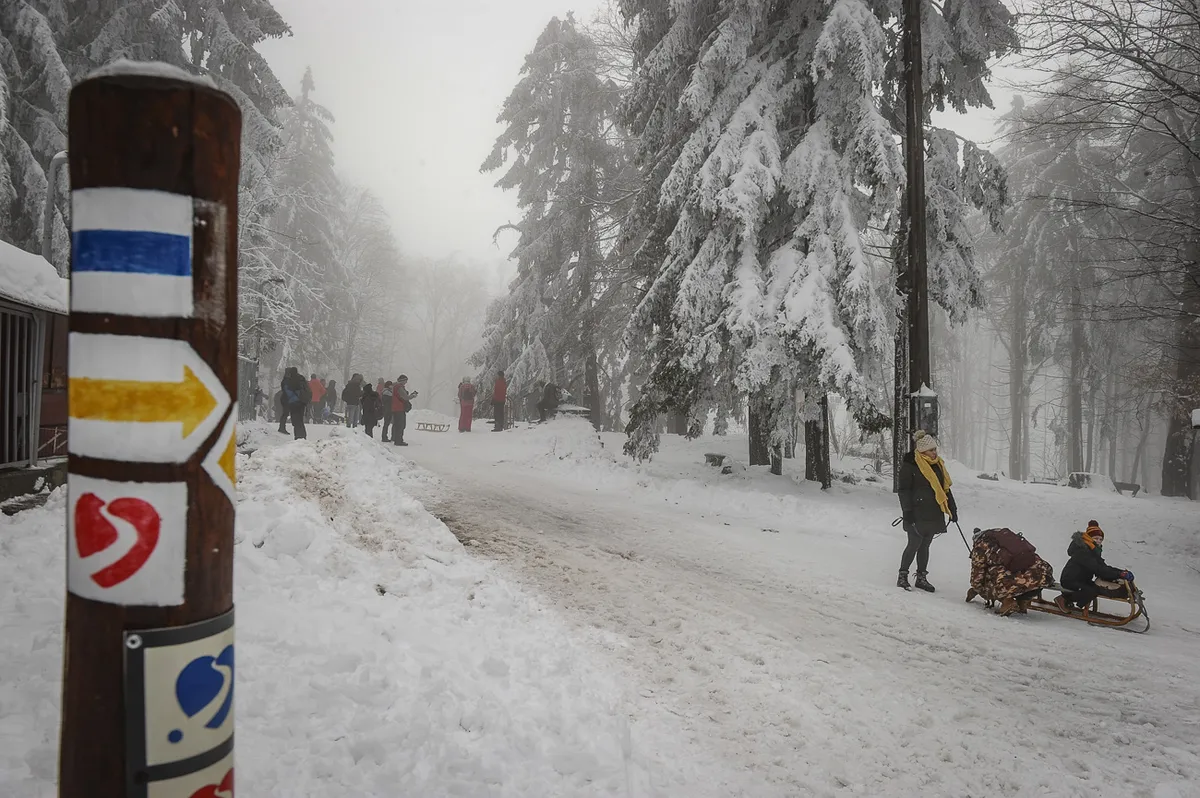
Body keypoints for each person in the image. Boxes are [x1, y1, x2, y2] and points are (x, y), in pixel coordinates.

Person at [896, 429, 957, 592]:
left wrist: (952, 508)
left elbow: (945, 489)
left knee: (926, 544)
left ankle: (921, 577)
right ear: (922, 450)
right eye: (931, 450)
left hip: (934, 511)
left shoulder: (938, 465)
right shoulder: (911, 466)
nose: (934, 452)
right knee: (914, 543)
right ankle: (902, 575)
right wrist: (907, 511)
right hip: (916, 512)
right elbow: (904, 490)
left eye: (935, 449)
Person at [966, 528, 1055, 616]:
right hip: (1043, 576)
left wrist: (979, 590)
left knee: (992, 573)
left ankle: (1008, 602)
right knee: (1016, 568)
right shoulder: (1006, 537)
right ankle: (1022, 602)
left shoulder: (980, 546)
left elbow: (977, 576)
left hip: (1017, 583)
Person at [1055, 521, 1133, 611]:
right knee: (1091, 591)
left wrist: (1121, 572)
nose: (1099, 541)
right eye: (1096, 538)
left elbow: (1103, 566)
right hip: (1070, 580)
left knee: (1096, 588)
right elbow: (1098, 569)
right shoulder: (1083, 551)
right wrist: (1120, 574)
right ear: (1089, 538)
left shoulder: (1093, 551)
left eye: (1100, 539)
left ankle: (1069, 600)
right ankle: (1063, 599)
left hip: (1082, 580)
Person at [280, 366, 310, 440]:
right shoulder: (301, 378)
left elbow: (287, 391)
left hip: (294, 403)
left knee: (295, 420)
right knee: (300, 419)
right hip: (302, 402)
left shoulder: (289, 380)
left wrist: (291, 398)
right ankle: (303, 435)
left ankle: (298, 436)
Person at [391, 375, 418, 447]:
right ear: (402, 380)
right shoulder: (399, 387)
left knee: (397, 424)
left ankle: (396, 438)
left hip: (395, 407)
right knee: (401, 425)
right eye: (405, 380)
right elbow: (405, 397)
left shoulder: (395, 386)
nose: (406, 382)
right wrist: (413, 395)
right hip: (399, 408)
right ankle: (399, 440)